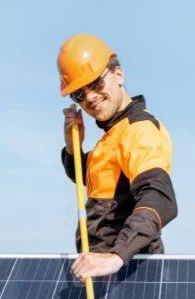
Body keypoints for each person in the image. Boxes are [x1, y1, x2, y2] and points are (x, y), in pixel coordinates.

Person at [58, 34, 178, 282]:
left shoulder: (139, 130)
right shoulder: (113, 135)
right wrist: (73, 148)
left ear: (119, 75)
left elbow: (158, 197)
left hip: (132, 276)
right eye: (79, 93)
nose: (90, 97)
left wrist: (116, 257)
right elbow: (91, 178)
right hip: (105, 274)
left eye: (96, 84)